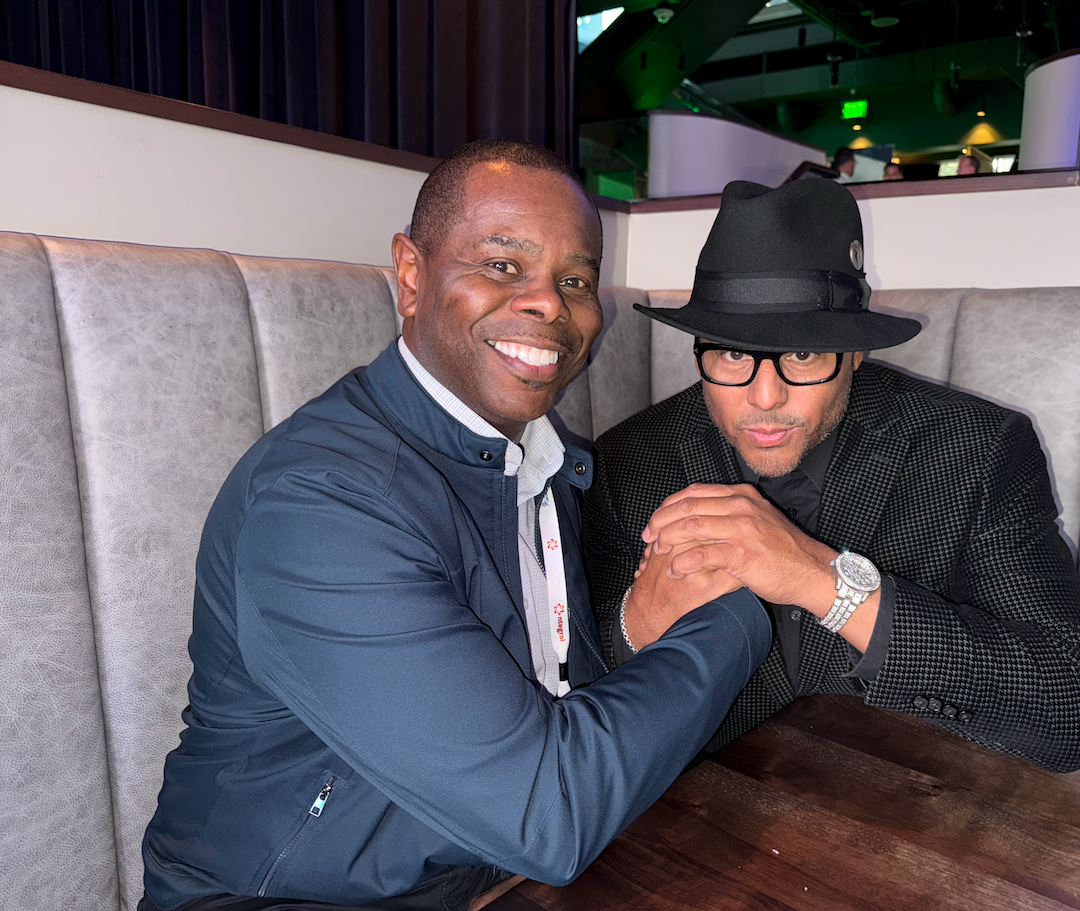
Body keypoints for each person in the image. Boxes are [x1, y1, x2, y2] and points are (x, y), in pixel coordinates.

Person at [140, 141, 771, 911]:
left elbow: (552, 705)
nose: (549, 304)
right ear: (411, 275)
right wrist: (742, 609)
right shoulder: (322, 504)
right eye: (502, 266)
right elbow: (548, 810)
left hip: (481, 876)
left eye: (575, 279)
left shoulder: (548, 462)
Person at [585, 178, 1080, 770]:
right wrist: (639, 627)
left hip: (907, 812)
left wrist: (823, 581)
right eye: (733, 353)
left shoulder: (974, 451)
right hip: (701, 815)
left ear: (856, 352)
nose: (764, 397)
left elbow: (1078, 706)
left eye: (804, 354)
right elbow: (588, 683)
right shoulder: (628, 461)